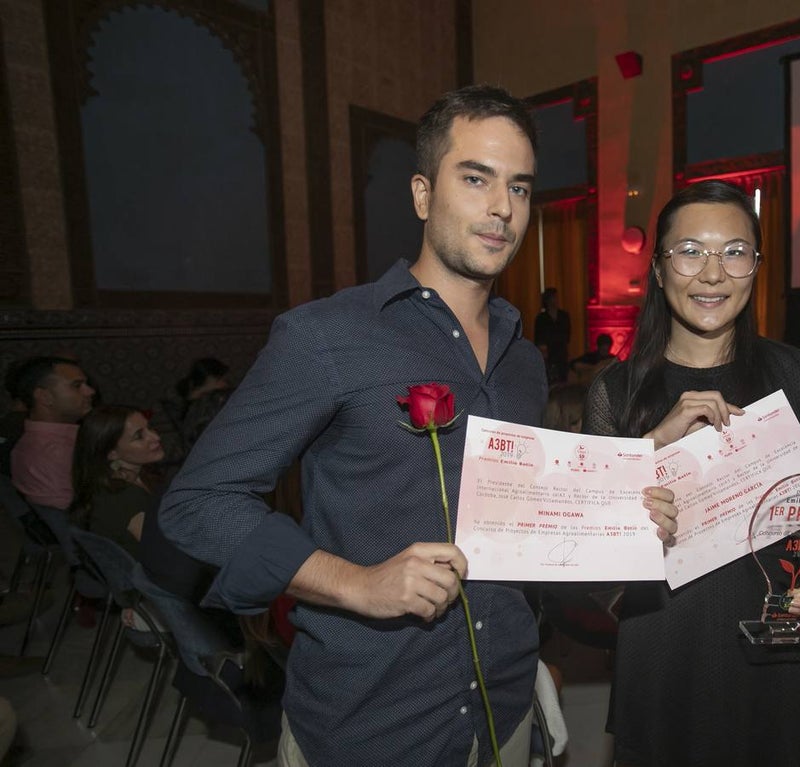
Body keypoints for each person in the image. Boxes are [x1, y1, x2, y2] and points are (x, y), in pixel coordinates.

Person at [160, 85, 679, 767]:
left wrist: (628, 503)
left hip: (503, 704)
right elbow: (197, 503)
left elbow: (532, 524)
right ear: (422, 194)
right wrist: (353, 581)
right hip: (372, 721)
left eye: (519, 188)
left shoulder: (523, 361)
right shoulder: (326, 336)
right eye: (475, 179)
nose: (502, 208)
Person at [582, 180, 800, 767]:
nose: (712, 274)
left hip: (768, 648)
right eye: (690, 251)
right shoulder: (616, 391)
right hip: (662, 646)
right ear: (657, 269)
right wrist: (650, 446)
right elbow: (591, 543)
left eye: (733, 251)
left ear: (755, 267)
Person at [71, 405, 166, 559]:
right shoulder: (124, 498)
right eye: (139, 436)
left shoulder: (136, 474)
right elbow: (166, 553)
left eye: (149, 428)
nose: (156, 437)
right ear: (112, 453)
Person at [8, 356, 96, 508]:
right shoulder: (52, 452)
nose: (90, 391)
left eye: (86, 384)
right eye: (77, 385)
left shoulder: (41, 443)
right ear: (45, 397)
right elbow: (81, 518)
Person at [150, 357, 231, 469]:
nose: (225, 384)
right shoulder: (170, 408)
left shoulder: (214, 403)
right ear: (212, 378)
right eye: (222, 380)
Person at [534, 287, 570, 383]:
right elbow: (538, 337)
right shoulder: (541, 318)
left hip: (561, 352)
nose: (555, 300)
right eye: (553, 297)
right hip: (548, 354)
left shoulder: (564, 316)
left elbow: (567, 335)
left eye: (556, 297)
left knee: (562, 379)